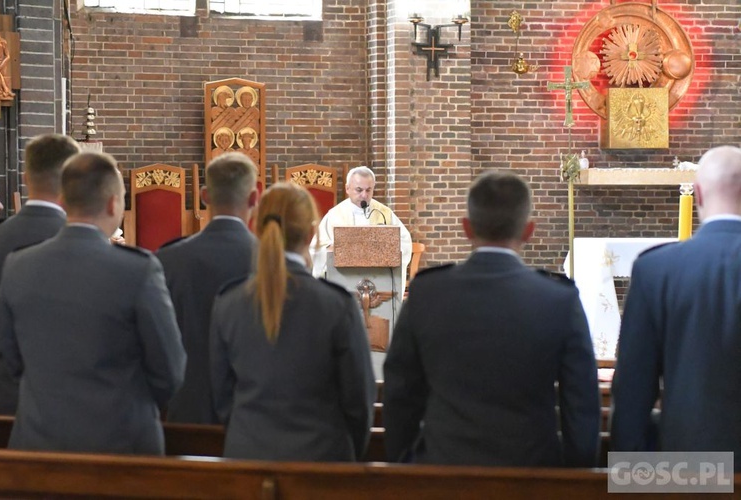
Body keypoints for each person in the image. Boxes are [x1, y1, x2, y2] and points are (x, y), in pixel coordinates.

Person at [383, 170, 600, 466]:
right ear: (528, 230)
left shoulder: (428, 293)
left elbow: (400, 391)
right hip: (531, 474)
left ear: (466, 227)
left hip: (442, 472)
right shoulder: (558, 299)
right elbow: (581, 401)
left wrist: (403, 462)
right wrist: (575, 474)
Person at [0, 152, 186, 455]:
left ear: (64, 200)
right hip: (122, 444)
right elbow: (169, 371)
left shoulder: (19, 265)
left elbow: (10, 359)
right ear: (113, 203)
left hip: (39, 441)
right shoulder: (138, 270)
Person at [210, 182, 376, 461]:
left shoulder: (229, 302)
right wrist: (349, 454)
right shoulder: (336, 304)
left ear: (258, 229)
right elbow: (358, 399)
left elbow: (222, 395)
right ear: (311, 233)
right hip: (320, 460)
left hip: (247, 459)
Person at [611, 145, 741, 470]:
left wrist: (629, 475)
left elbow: (633, 388)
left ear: (697, 194)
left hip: (693, 466)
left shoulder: (656, 270)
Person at [156, 152, 258, 424]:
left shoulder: (168, 260)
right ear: (254, 198)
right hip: (252, 416)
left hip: (185, 410)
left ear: (204, 196)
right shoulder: (273, 262)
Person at [0, 134, 80, 414]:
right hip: (70, 405)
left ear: (26, 178)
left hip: (0, 399)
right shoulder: (90, 245)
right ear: (74, 180)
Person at [310, 166, 412, 294]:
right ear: (348, 188)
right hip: (344, 282)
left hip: (378, 281)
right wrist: (333, 250)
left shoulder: (384, 214)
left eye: (368, 190)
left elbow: (405, 243)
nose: (364, 195)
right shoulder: (335, 215)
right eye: (359, 190)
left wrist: (388, 250)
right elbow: (317, 248)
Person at [0, 25, 14, 103]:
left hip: (2, 64)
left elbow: (8, 56)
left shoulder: (3, 42)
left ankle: (5, 90)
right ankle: (6, 90)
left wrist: (0, 66)